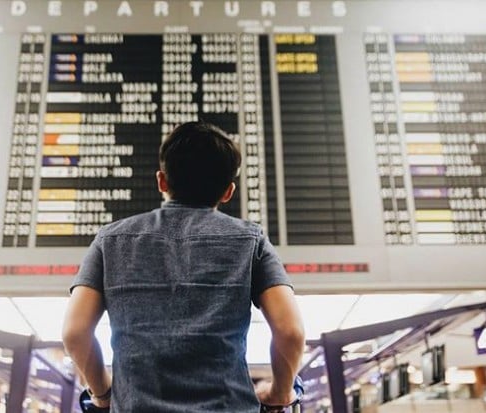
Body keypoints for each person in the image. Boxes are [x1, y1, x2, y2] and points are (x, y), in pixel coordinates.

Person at [62, 121, 305, 412]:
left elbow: (75, 333)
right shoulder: (251, 240)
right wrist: (279, 394)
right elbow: (290, 332)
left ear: (162, 181)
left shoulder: (110, 240)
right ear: (228, 191)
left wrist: (103, 394)